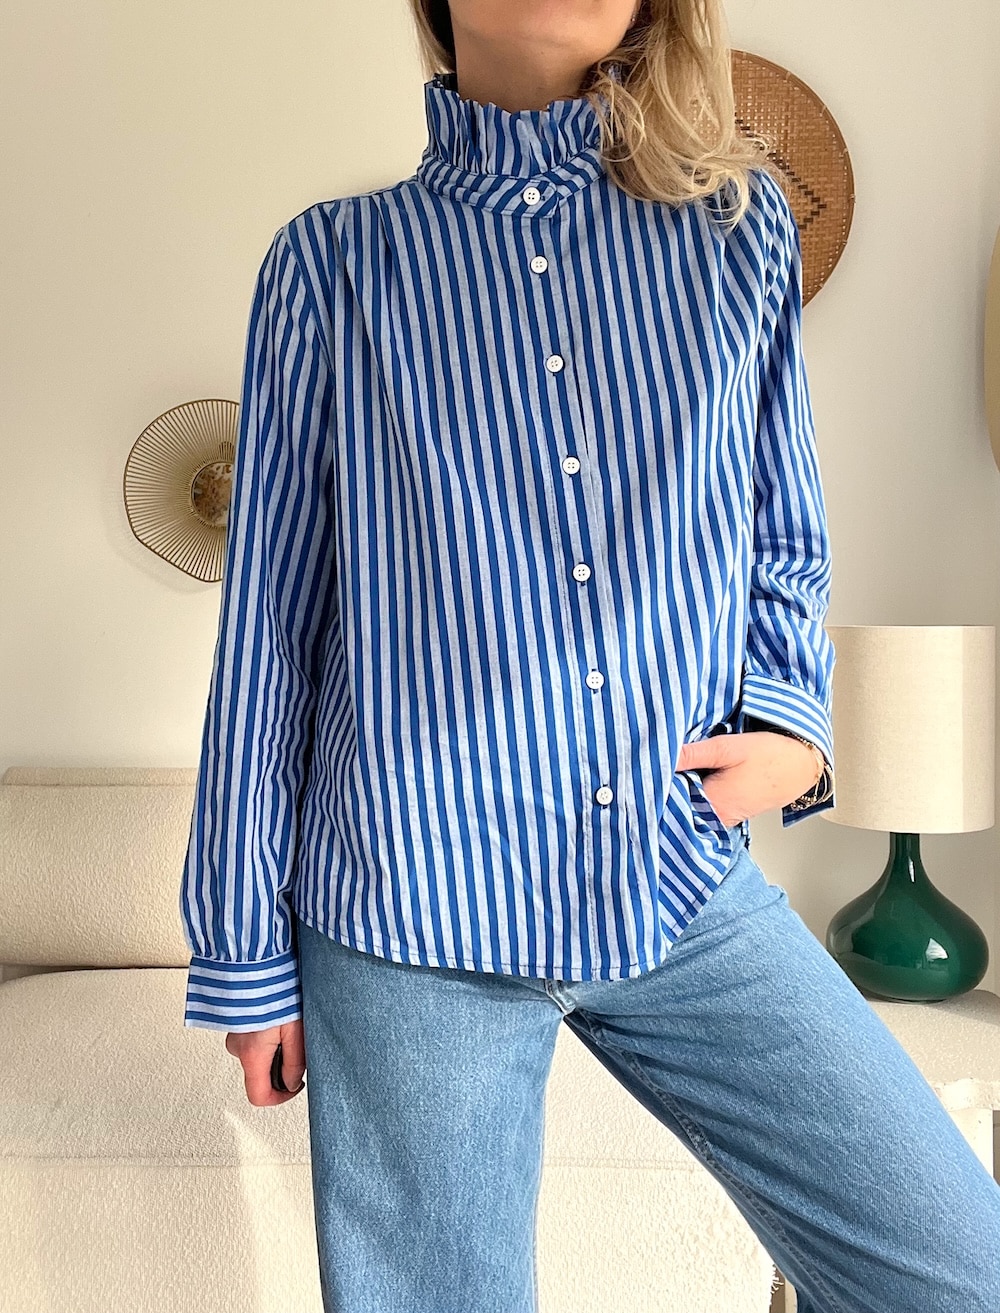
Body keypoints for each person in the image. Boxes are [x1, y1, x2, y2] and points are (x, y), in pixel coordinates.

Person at [178, 1, 1000, 1309]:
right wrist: (243, 947)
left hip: (674, 870)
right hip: (410, 904)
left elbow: (781, 527)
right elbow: (270, 624)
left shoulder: (739, 233)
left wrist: (794, 722)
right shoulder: (332, 266)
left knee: (960, 1268)